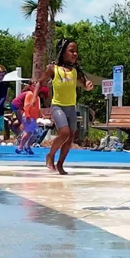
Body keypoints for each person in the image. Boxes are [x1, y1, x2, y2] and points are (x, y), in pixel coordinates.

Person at [38, 39, 94, 174]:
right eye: (71, 51)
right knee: (64, 132)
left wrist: (87, 86)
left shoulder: (75, 71)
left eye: (76, 51)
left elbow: (84, 84)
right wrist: (34, 98)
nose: (75, 54)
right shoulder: (53, 69)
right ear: (63, 53)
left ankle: (60, 164)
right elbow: (40, 82)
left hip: (71, 107)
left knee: (70, 138)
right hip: (58, 106)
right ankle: (50, 155)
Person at [12, 80, 42, 155]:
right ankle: (20, 147)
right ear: (30, 87)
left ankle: (27, 146)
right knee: (28, 132)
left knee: (35, 133)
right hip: (28, 117)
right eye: (34, 86)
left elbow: (38, 108)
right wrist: (28, 115)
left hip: (33, 118)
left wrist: (39, 116)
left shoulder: (37, 97)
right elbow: (26, 106)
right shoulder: (29, 94)